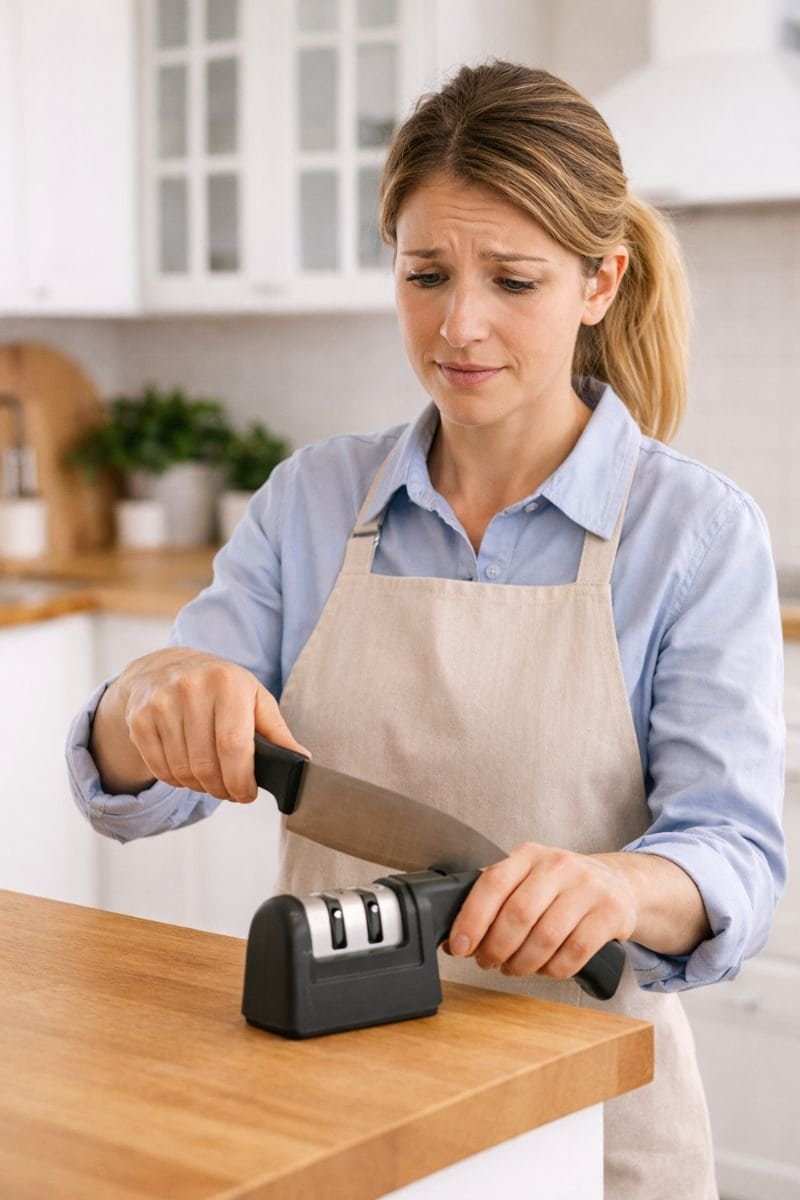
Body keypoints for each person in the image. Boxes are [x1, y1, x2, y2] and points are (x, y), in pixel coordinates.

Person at [67, 61, 786, 1199]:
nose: (459, 325)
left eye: (511, 279)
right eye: (425, 273)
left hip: (586, 1120)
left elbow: (732, 856)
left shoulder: (692, 534)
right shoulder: (311, 502)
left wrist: (616, 888)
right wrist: (147, 700)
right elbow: (138, 785)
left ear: (598, 283)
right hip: (330, 1107)